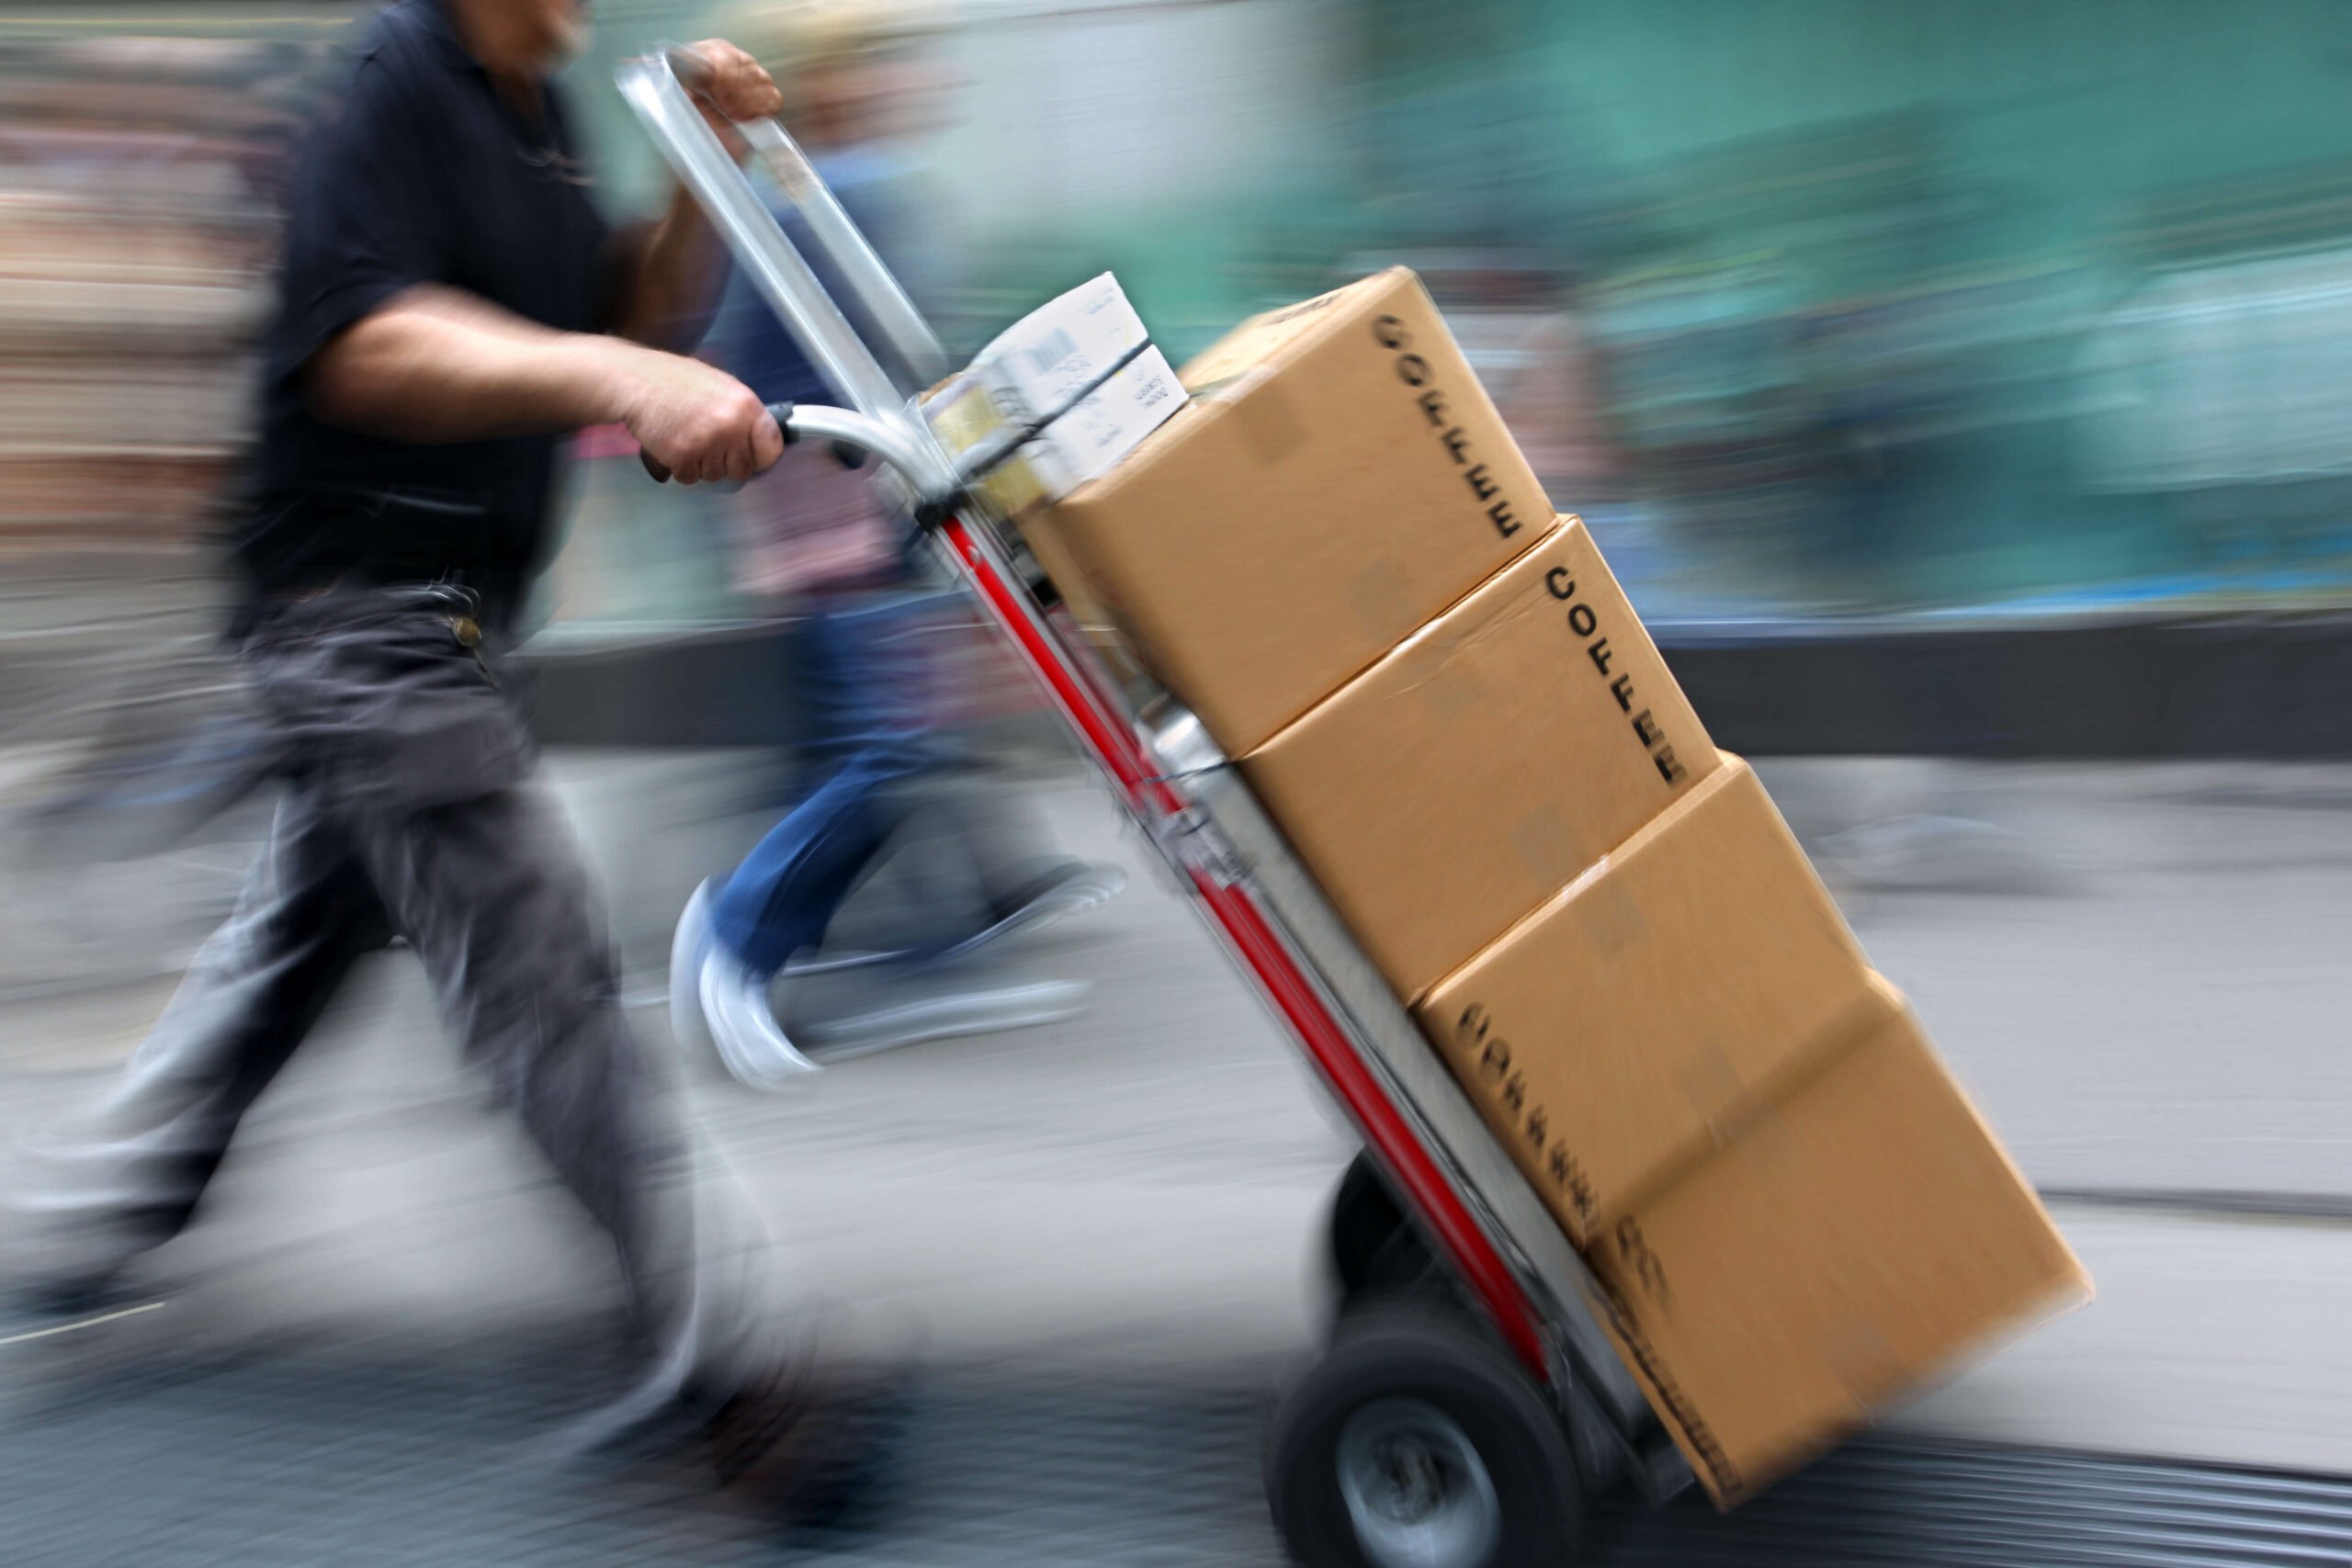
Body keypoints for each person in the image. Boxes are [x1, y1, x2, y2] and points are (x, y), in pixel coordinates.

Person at [8, 0, 888, 1518]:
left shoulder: (530, 106)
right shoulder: (391, 79)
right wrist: (618, 385)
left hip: (452, 613)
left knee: (296, 943)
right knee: (535, 957)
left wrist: (698, 169)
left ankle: (97, 1221)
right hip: (357, 619)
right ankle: (711, 1370)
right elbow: (365, 342)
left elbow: (631, 322)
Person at [671, 0, 1121, 1088]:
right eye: (893, 64)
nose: (917, 82)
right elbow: (908, 361)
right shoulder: (851, 190)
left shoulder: (800, 192)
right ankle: (735, 940)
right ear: (841, 80)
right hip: (853, 516)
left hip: (821, 513)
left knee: (867, 746)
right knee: (892, 749)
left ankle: (941, 917)